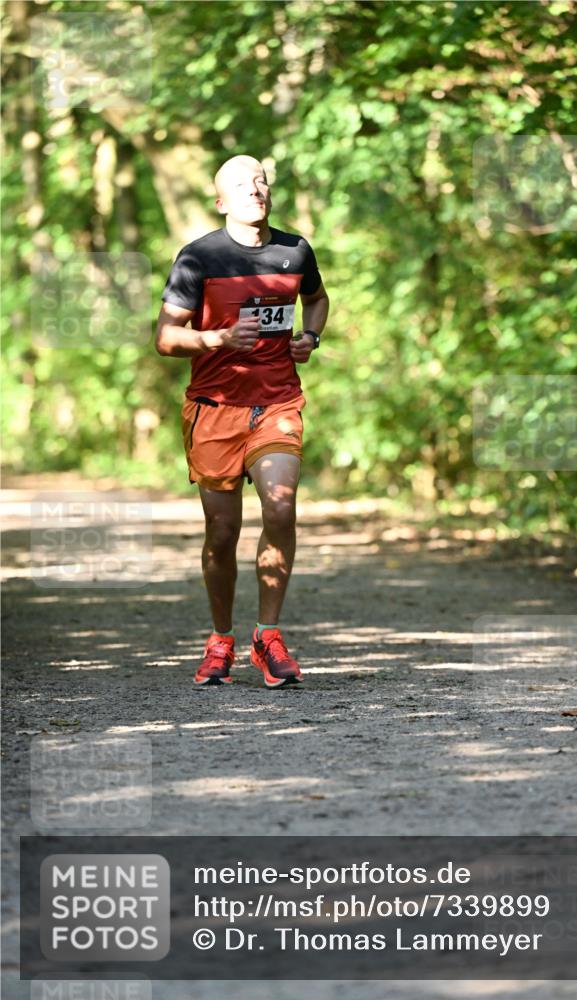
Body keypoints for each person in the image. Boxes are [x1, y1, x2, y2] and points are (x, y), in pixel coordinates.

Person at [155, 154, 329, 689]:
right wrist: (216, 338)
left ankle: (268, 634)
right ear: (221, 200)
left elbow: (317, 301)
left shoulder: (294, 250)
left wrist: (311, 337)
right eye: (240, 183)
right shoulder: (198, 258)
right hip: (213, 408)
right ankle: (221, 639)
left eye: (260, 181)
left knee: (280, 506)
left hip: (276, 403)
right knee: (222, 532)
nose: (254, 189)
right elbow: (166, 338)